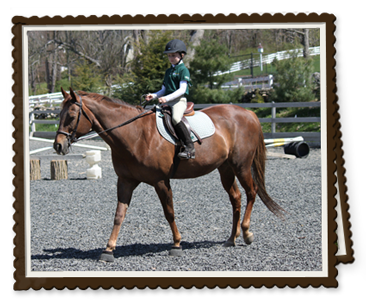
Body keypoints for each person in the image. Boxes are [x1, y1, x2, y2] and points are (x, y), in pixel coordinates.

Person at [145, 39, 195, 159]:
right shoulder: (168, 71)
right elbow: (163, 89)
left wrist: (166, 98)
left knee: (176, 118)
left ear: (181, 55)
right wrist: (154, 95)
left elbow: (182, 90)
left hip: (179, 101)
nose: (171, 58)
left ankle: (189, 147)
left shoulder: (183, 70)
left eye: (174, 55)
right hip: (167, 100)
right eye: (169, 56)